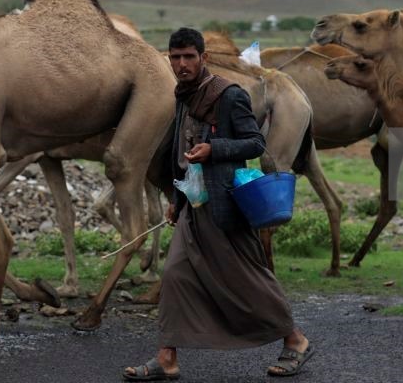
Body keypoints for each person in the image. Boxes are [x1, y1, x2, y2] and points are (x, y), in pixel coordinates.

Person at [123, 28, 313, 380]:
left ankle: (296, 339)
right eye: (175, 57)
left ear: (203, 58)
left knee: (247, 280)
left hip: (226, 207)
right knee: (176, 275)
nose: (181, 64)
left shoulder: (228, 96)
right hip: (194, 207)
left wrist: (216, 149)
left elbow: (254, 144)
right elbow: (184, 152)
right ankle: (167, 357)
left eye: (188, 57)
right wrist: (177, 200)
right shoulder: (183, 95)